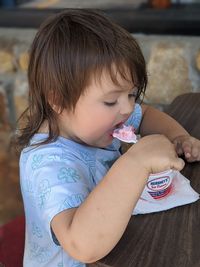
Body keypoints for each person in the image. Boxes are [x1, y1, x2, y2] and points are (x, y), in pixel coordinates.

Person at [16, 9, 200, 267]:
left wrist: (179, 136)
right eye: (111, 100)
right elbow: (83, 246)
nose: (126, 108)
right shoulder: (48, 164)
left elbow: (144, 114)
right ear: (58, 99)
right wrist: (135, 162)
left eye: (132, 94)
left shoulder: (104, 120)